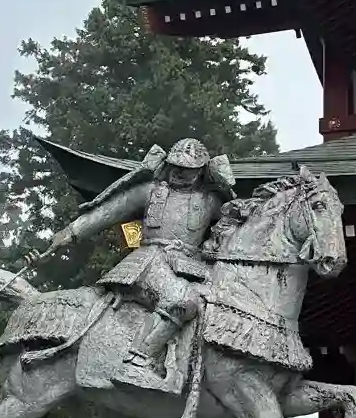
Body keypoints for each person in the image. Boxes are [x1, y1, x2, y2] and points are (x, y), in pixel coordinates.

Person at [48, 138, 235, 390]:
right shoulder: (149, 191)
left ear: (201, 171)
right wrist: (69, 233)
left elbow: (239, 221)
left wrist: (227, 186)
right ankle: (136, 362)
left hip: (194, 268)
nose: (180, 173)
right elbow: (107, 212)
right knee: (181, 301)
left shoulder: (211, 201)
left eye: (188, 169)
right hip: (150, 260)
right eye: (177, 166)